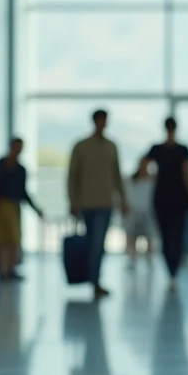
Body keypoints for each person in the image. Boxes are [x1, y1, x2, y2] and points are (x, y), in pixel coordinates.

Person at [68, 109, 129, 298]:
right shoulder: (81, 146)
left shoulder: (111, 147)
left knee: (98, 243)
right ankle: (93, 279)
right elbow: (73, 176)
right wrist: (73, 201)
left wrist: (123, 199)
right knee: (92, 243)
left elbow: (117, 175)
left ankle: (95, 281)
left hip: (105, 203)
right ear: (95, 121)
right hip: (86, 202)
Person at [144, 117, 188, 290]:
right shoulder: (182, 150)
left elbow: (143, 166)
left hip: (162, 197)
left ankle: (171, 271)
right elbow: (187, 174)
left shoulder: (157, 149)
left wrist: (153, 178)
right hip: (179, 198)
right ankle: (173, 272)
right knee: (177, 235)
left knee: (166, 237)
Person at [0, 137, 44, 280]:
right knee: (1, 240)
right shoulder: (0, 165)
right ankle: (2, 269)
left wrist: (35, 208)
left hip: (14, 206)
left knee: (14, 239)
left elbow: (23, 192)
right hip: (0, 206)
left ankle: (10, 268)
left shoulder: (20, 169)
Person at [124, 157, 156, 268]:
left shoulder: (152, 180)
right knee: (132, 237)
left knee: (149, 238)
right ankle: (132, 260)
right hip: (134, 211)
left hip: (148, 211)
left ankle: (149, 260)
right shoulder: (131, 180)